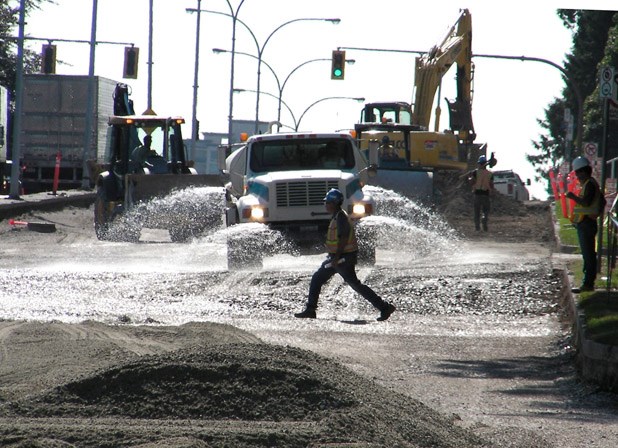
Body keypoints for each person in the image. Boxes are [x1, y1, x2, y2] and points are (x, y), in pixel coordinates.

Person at [294, 188, 396, 321]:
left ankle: (384, 307)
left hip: (343, 259)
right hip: (338, 258)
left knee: (354, 285)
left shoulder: (341, 217)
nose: (326, 205)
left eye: (328, 202)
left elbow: (343, 239)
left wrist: (336, 258)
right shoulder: (337, 216)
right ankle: (310, 309)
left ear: (334, 203)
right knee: (318, 279)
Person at [566, 156, 605, 292]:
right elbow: (602, 201)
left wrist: (572, 196)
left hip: (587, 224)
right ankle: (587, 282)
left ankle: (588, 284)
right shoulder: (590, 184)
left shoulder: (589, 185)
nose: (576, 176)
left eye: (577, 173)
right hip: (586, 222)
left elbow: (586, 202)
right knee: (587, 254)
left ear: (583, 172)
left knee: (588, 255)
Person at [468, 155, 495, 231]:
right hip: (486, 195)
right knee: (485, 211)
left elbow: (471, 182)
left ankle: (477, 227)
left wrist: (469, 177)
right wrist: (492, 192)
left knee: (476, 212)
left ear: (479, 163)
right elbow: (492, 185)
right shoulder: (490, 174)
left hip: (477, 194)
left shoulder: (475, 172)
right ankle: (484, 219)